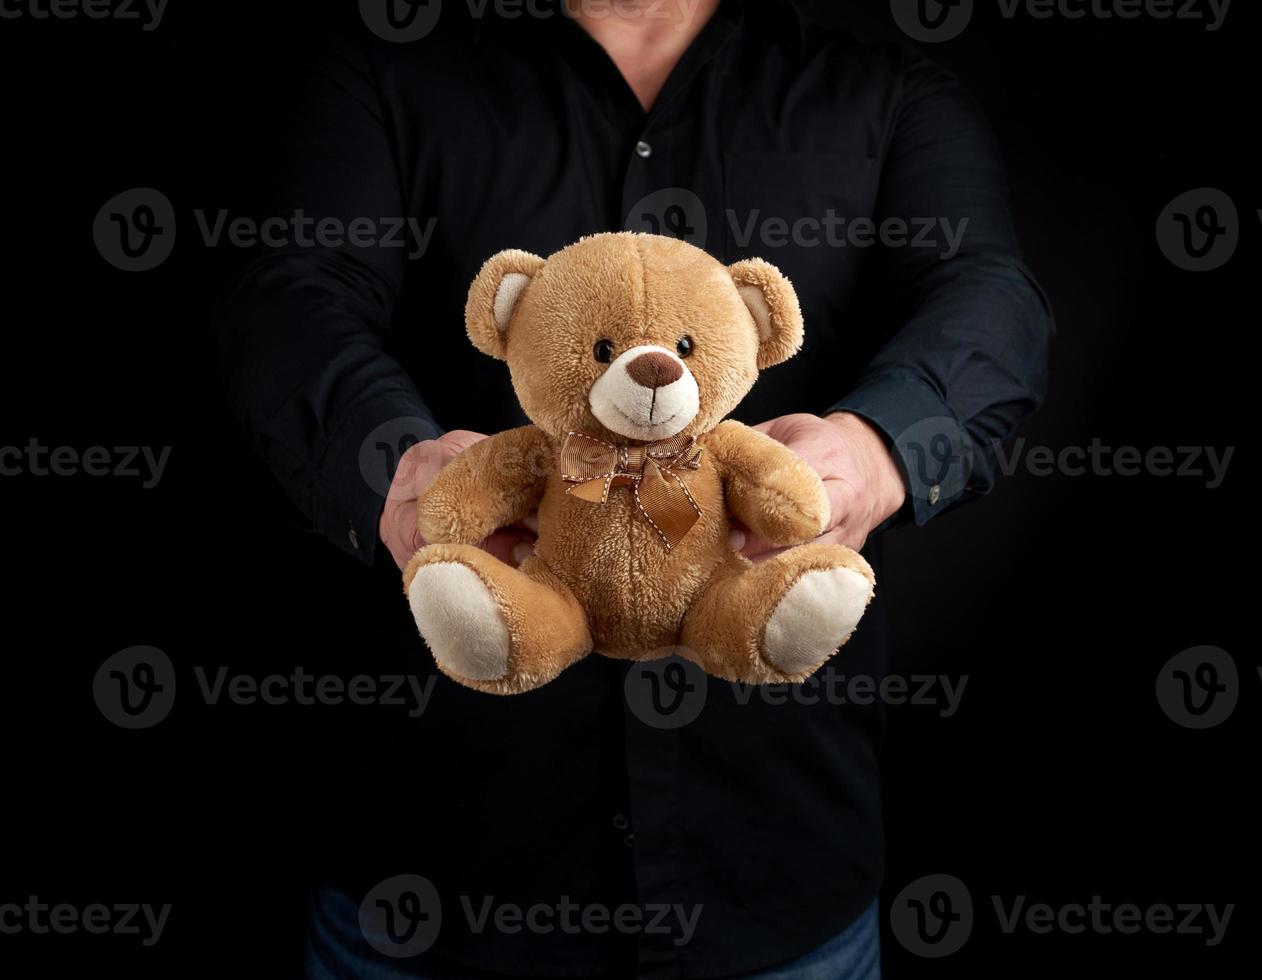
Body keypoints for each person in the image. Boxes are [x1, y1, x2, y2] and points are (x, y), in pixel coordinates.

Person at [212, 0, 1052, 976]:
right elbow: (290, 293)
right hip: (433, 872)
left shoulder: (882, 90)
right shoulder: (385, 67)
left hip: (775, 876)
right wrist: (403, 475)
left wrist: (871, 451)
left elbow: (987, 292)